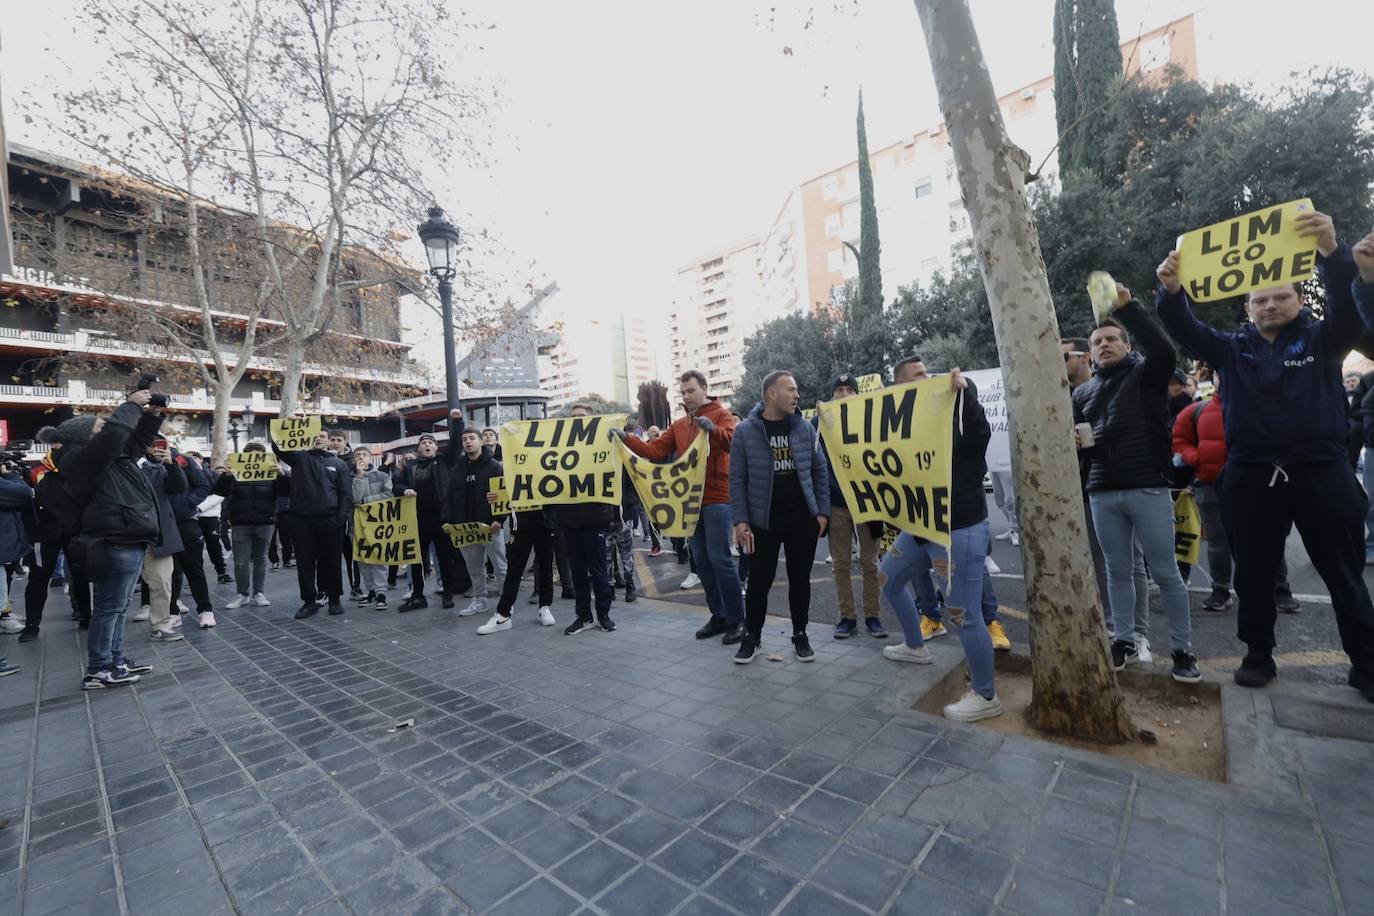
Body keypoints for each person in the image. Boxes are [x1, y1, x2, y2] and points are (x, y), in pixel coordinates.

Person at [1157, 217, 1374, 700]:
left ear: (1300, 301)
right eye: (1260, 300)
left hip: (1322, 472)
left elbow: (1349, 312)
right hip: (1251, 477)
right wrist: (1172, 293)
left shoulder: (1325, 338)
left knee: (1343, 574)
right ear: (1248, 308)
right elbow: (1186, 329)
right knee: (1253, 573)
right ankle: (1258, 655)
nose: (1270, 305)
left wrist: (1332, 252)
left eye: (1281, 297)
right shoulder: (1233, 348)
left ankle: (1366, 665)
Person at [1073, 283, 1200, 684]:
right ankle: (1124, 640)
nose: (1104, 345)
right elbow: (1080, 439)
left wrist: (1129, 310)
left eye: (1112, 339)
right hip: (1101, 490)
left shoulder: (1148, 375)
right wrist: (1076, 443)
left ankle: (1183, 650)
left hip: (1148, 486)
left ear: (1127, 345)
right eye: (1097, 341)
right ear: (1090, 353)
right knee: (1117, 571)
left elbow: (1164, 349)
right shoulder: (1083, 392)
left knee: (1165, 573)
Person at [876, 357, 1004, 721]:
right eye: (919, 376)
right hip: (919, 526)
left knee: (964, 612)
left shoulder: (958, 409)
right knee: (889, 578)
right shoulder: (900, 424)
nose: (929, 378)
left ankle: (985, 695)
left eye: (929, 373)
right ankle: (916, 646)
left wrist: (966, 396)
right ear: (901, 387)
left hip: (959, 527)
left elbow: (980, 434)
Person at [617, 371, 743, 643]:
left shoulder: (722, 414)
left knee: (720, 559)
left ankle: (737, 619)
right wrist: (626, 439)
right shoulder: (679, 426)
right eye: (683, 392)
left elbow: (732, 441)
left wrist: (714, 429)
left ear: (704, 389)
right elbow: (653, 452)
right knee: (702, 560)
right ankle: (719, 615)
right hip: (691, 501)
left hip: (717, 497)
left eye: (691, 391)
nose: (686, 396)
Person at [56, 390, 164, 689]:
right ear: (85, 437)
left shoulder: (105, 457)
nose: (106, 430)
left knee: (119, 605)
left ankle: (115, 659)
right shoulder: (81, 458)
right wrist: (130, 405)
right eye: (98, 429)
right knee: (109, 607)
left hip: (128, 534)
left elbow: (135, 442)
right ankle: (98, 668)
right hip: (116, 536)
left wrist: (152, 415)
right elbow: (116, 432)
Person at [730, 370, 829, 664]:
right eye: (791, 389)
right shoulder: (746, 431)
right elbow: (736, 479)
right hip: (764, 521)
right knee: (760, 580)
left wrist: (821, 511)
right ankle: (753, 637)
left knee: (800, 580)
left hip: (801, 518)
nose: (796, 395)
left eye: (796, 390)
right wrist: (741, 520)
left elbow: (819, 470)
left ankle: (800, 634)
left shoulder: (804, 429)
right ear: (772, 393)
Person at [1064, 337, 1152, 659]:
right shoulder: (1067, 396)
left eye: (1063, 355)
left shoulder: (1115, 386)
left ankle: (1137, 635)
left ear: (1083, 357)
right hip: (1083, 489)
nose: (1057, 361)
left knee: (1130, 563)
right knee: (1100, 564)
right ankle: (1114, 628)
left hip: (1116, 484)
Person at [1172, 387, 1297, 613]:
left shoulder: (1266, 407)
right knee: (1218, 543)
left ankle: (1280, 589)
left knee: (1268, 539)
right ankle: (1221, 589)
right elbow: (1179, 440)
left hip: (1258, 484)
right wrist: (1195, 457)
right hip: (1210, 484)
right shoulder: (1197, 410)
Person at [815, 373, 885, 640]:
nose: (843, 394)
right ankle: (847, 617)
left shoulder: (872, 421)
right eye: (839, 390)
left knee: (870, 562)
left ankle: (873, 616)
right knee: (841, 564)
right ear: (831, 395)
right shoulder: (820, 424)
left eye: (849, 389)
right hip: (836, 504)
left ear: (857, 394)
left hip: (868, 503)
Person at [392, 412, 469, 611]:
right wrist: (403, 490)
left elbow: (455, 444)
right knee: (416, 560)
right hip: (417, 521)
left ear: (436, 447)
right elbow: (396, 484)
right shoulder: (410, 466)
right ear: (418, 448)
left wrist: (457, 421)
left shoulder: (445, 461)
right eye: (424, 443)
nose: (427, 445)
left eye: (431, 443)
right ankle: (418, 596)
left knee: (444, 559)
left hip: (441, 519)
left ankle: (448, 595)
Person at [273, 428, 352, 619]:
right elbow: (278, 448)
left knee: (332, 560)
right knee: (304, 562)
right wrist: (286, 425)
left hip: (330, 520)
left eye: (322, 436)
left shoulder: (339, 464)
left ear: (328, 441)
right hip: (301, 520)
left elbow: (345, 493)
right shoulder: (299, 458)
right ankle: (309, 601)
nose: (318, 439)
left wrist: (340, 519)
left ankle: (335, 599)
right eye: (315, 435)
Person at [559, 403, 618, 635]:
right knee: (577, 572)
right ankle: (583, 616)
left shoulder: (603, 443)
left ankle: (603, 614)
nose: (577, 420)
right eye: (573, 417)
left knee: (599, 571)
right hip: (568, 520)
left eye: (582, 417)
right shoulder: (562, 446)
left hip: (594, 518)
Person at [445, 429, 506, 617]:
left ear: (481, 442)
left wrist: (499, 519)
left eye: (472, 438)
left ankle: (506, 602)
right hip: (465, 528)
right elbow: (449, 497)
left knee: (500, 566)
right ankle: (480, 600)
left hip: (490, 526)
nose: (468, 442)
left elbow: (504, 494)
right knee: (474, 568)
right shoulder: (456, 469)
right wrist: (447, 521)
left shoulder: (495, 466)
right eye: (464, 439)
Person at [477, 497, 557, 634]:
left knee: (545, 565)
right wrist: (498, 510)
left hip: (545, 520)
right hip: (521, 523)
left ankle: (545, 606)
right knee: (514, 568)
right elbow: (505, 487)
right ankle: (504, 613)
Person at [135, 438, 187, 642]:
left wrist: (171, 464)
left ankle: (161, 624)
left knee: (162, 581)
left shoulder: (157, 468)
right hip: (125, 534)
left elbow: (178, 487)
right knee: (119, 586)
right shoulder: (118, 465)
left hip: (157, 534)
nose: (155, 449)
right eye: (151, 444)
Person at [219, 442, 276, 610]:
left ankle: (258, 593)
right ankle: (242, 594)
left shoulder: (271, 473)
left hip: (265, 521)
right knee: (240, 561)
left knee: (261, 559)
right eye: (251, 456)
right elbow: (220, 491)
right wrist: (227, 474)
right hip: (241, 523)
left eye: (259, 456)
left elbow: (286, 490)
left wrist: (279, 472)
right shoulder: (235, 473)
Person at [165, 446, 216, 629]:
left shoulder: (183, 461)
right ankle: (172, 612)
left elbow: (204, 485)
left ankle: (205, 610)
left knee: (194, 569)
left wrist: (189, 503)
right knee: (166, 573)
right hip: (161, 525)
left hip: (185, 522)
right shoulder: (144, 463)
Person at [348, 447, 393, 611]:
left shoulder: (382, 475)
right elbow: (354, 498)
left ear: (370, 458)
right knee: (362, 559)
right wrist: (359, 476)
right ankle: (371, 591)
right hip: (357, 525)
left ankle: (382, 593)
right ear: (353, 461)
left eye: (364, 455)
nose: (361, 457)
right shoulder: (350, 477)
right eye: (357, 455)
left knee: (379, 559)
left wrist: (366, 501)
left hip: (378, 524)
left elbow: (389, 495)